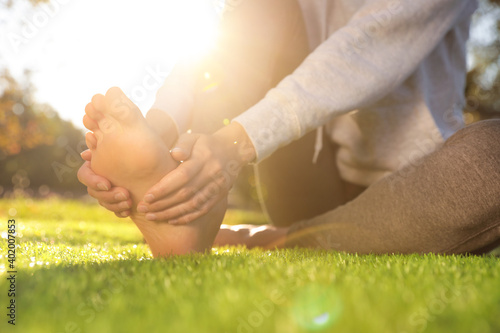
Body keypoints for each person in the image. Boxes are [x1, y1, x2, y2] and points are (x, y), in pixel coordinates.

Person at [78, 0, 500, 256]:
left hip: (415, 189)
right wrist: (161, 123)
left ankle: (275, 238)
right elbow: (227, 42)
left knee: (492, 157)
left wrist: (236, 143)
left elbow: (366, 48)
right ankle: (174, 168)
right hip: (303, 179)